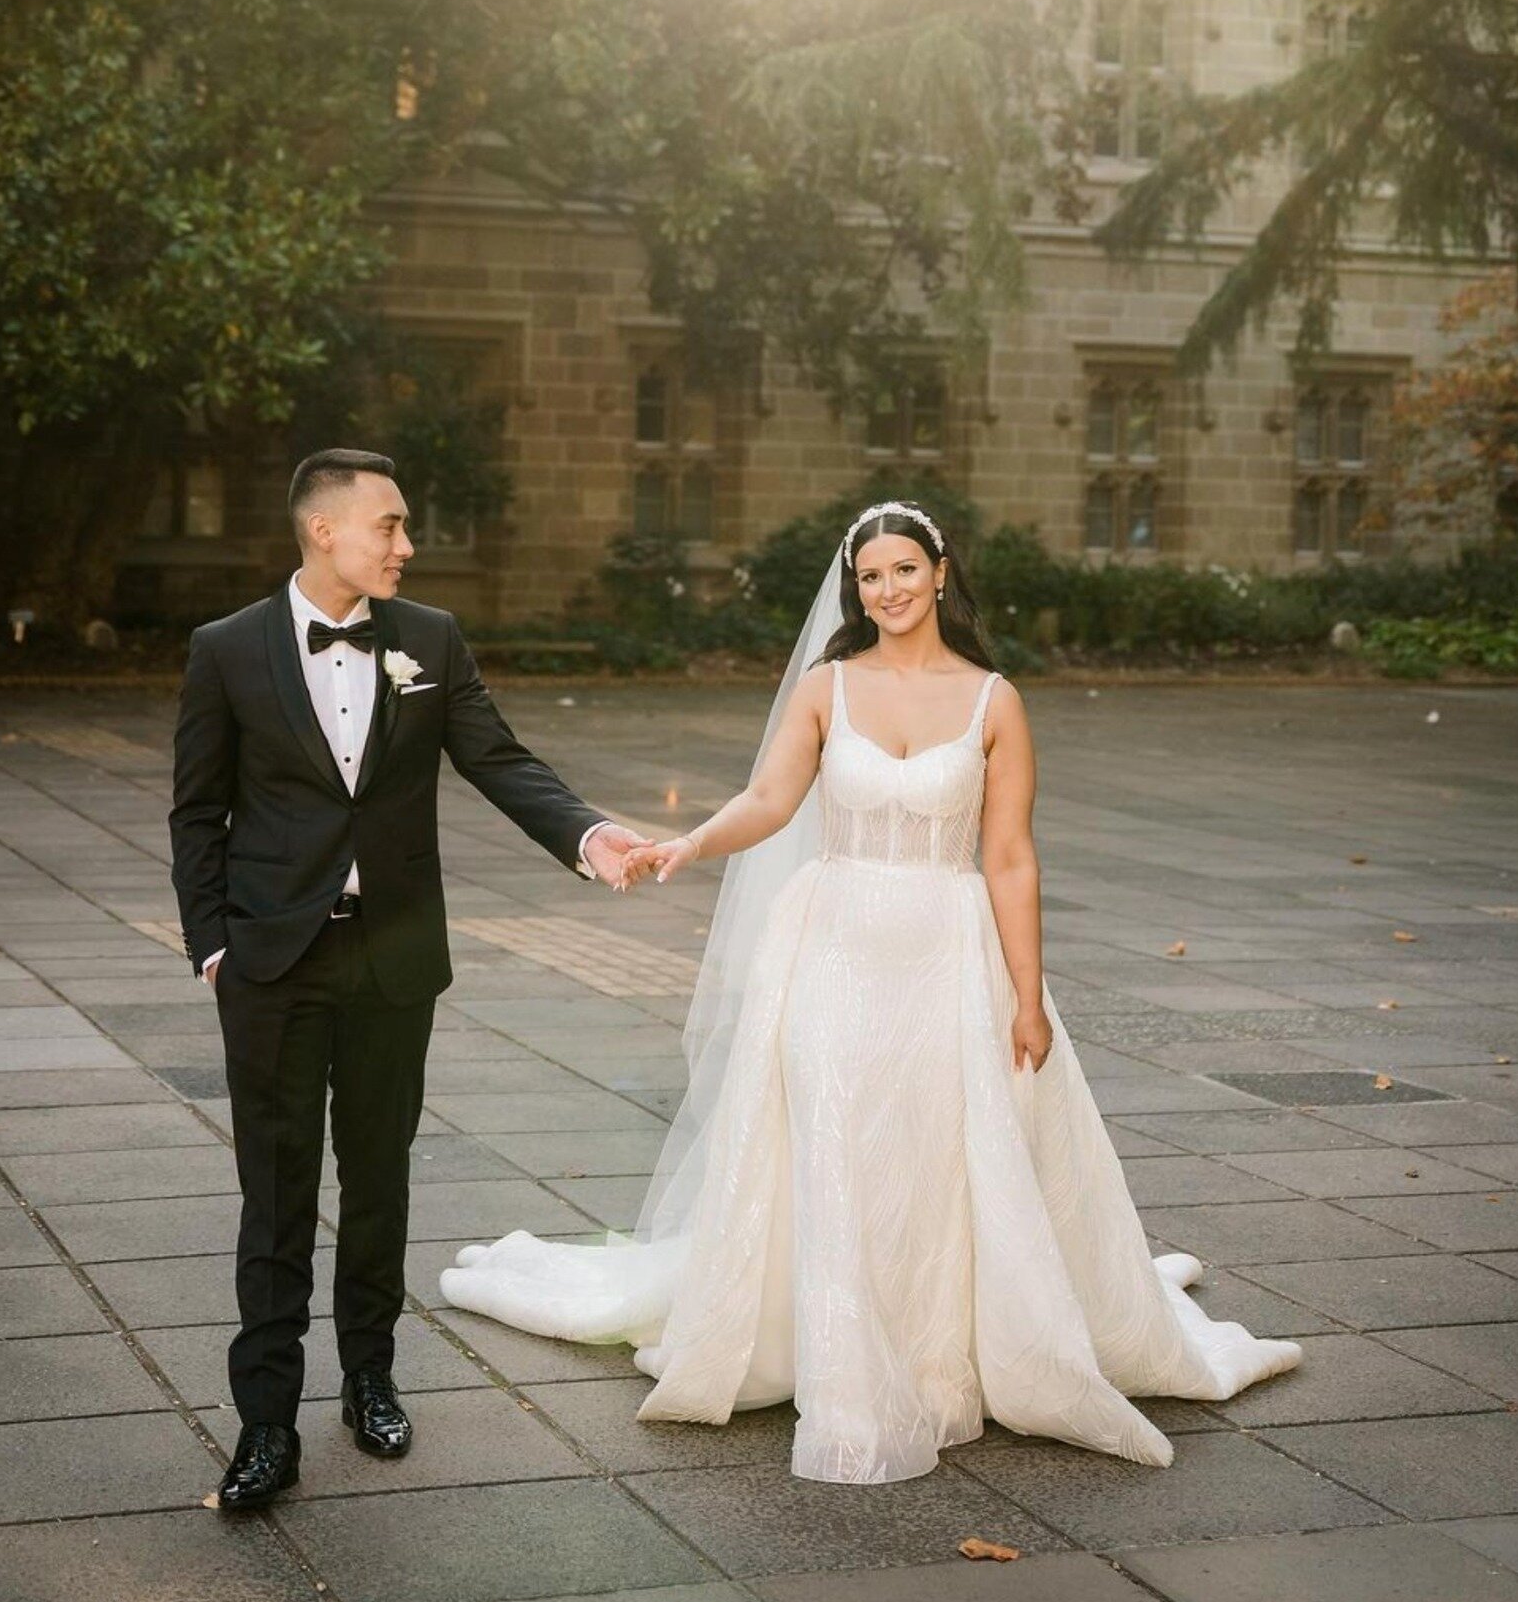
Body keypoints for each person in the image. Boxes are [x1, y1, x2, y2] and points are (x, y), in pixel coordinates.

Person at [437, 497, 1301, 1485]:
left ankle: (937, 1349)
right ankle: (843, 1361)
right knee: (835, 1131)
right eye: (867, 578)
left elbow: (1009, 858)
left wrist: (1026, 995)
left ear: (938, 572)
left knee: (936, 1144)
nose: (885, 591)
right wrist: (685, 842)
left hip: (945, 943)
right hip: (832, 941)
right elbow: (769, 801)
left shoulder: (992, 702)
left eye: (901, 570)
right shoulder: (826, 687)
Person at [169, 447, 648, 1511]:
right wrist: (213, 945)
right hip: (271, 961)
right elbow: (197, 811)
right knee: (276, 1193)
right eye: (388, 526)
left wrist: (588, 835)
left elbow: (500, 758)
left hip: (391, 954)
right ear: (323, 530)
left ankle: (370, 1378)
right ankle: (263, 1426)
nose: (406, 545)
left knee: (378, 1175)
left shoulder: (428, 639)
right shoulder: (227, 650)